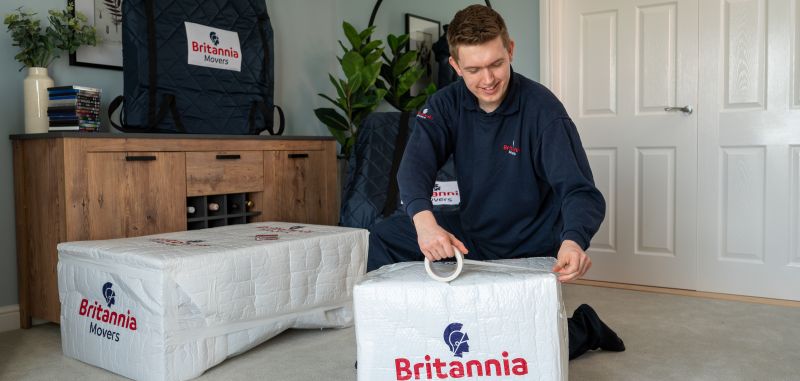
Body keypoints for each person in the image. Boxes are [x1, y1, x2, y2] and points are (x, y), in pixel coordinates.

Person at [367, 4, 625, 360]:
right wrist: (425, 225)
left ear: (510, 51)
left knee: (510, 351)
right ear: (455, 66)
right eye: (473, 69)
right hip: (474, 234)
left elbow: (580, 191)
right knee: (383, 237)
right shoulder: (444, 105)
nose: (487, 79)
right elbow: (414, 168)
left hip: (530, 242)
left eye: (496, 64)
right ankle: (393, 345)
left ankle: (583, 327)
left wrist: (573, 241)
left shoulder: (544, 111)